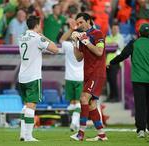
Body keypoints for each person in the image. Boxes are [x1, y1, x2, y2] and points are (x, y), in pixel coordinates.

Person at [18, 15, 59, 142]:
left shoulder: (21, 37)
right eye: (40, 24)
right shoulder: (37, 38)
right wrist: (44, 36)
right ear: (37, 25)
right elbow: (55, 49)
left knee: (26, 105)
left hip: (22, 76)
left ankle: (22, 134)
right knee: (31, 106)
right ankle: (29, 136)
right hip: (33, 76)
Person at [109, 23, 149, 138]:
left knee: (140, 105)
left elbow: (123, 55)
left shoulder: (133, 43)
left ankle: (141, 130)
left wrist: (112, 62)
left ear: (139, 33)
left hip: (138, 79)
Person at [69, 12, 108, 141]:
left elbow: (99, 51)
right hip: (88, 74)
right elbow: (79, 58)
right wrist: (75, 43)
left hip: (97, 73)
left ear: (89, 21)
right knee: (91, 105)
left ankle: (80, 133)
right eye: (77, 23)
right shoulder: (82, 37)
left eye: (81, 22)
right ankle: (101, 135)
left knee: (83, 98)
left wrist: (85, 41)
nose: (79, 25)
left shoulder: (97, 34)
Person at [59, 23, 83, 132]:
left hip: (69, 77)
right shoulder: (84, 46)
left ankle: (75, 123)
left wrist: (70, 30)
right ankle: (74, 123)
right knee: (78, 102)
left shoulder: (68, 45)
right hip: (80, 77)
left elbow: (61, 40)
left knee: (72, 103)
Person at [105, 22, 125, 102]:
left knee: (113, 79)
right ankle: (111, 96)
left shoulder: (120, 37)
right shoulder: (109, 37)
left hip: (116, 62)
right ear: (111, 29)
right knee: (109, 80)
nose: (115, 30)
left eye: (116, 28)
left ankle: (116, 97)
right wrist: (111, 46)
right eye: (113, 28)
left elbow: (115, 46)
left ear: (118, 29)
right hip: (107, 62)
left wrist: (109, 46)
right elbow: (105, 46)